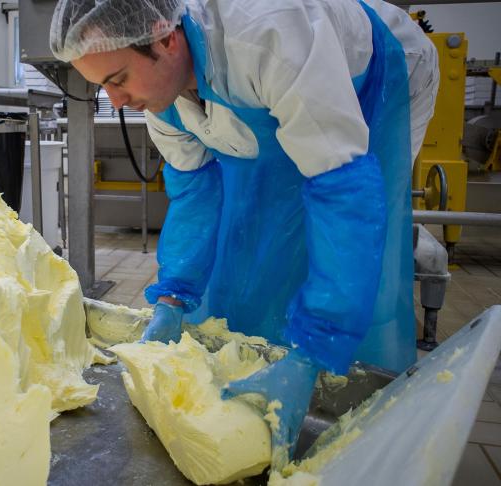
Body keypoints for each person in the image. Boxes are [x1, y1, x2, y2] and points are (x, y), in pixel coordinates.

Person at [50, 0, 438, 468]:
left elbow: (344, 195)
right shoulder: (160, 99)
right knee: (253, 233)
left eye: (117, 80)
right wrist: (174, 297)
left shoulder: (268, 38)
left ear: (164, 38)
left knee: (328, 230)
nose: (116, 102)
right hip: (280, 91)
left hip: (378, 79)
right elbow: (197, 194)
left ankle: (331, 376)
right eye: (101, 88)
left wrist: (315, 345)